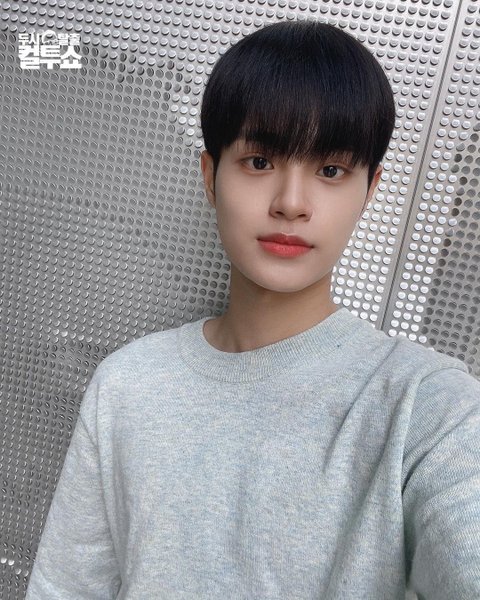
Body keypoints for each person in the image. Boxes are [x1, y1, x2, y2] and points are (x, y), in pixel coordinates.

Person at [25, 20, 480, 600]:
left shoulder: (428, 407)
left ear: (369, 190)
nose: (291, 203)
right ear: (210, 175)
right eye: (260, 161)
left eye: (331, 170)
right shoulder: (126, 386)